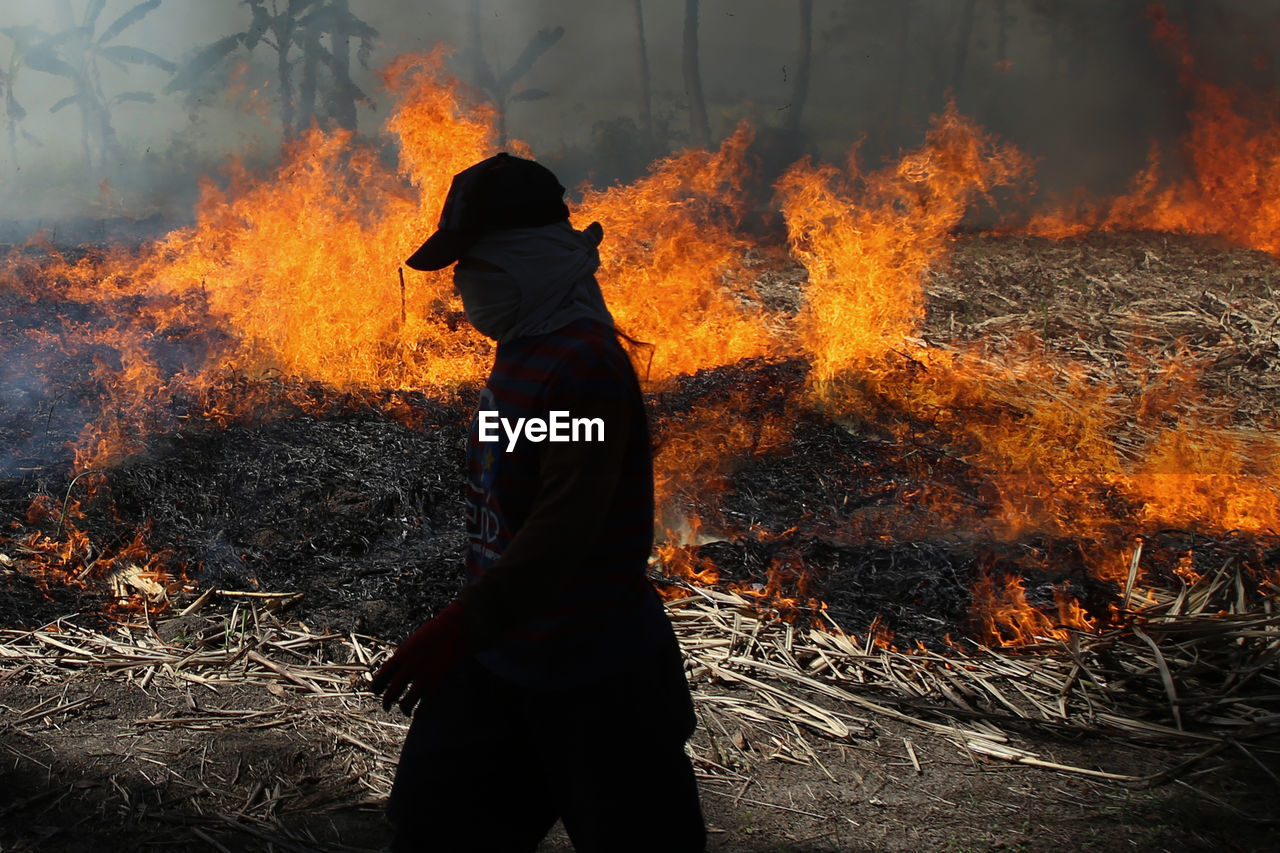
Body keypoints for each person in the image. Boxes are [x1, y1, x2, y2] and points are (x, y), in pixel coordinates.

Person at [372, 152, 706, 853]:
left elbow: (562, 530)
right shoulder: (524, 348)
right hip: (503, 658)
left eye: (475, 264)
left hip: (595, 678)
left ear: (527, 260)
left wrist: (458, 628)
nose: (462, 284)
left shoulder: (583, 367)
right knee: (433, 832)